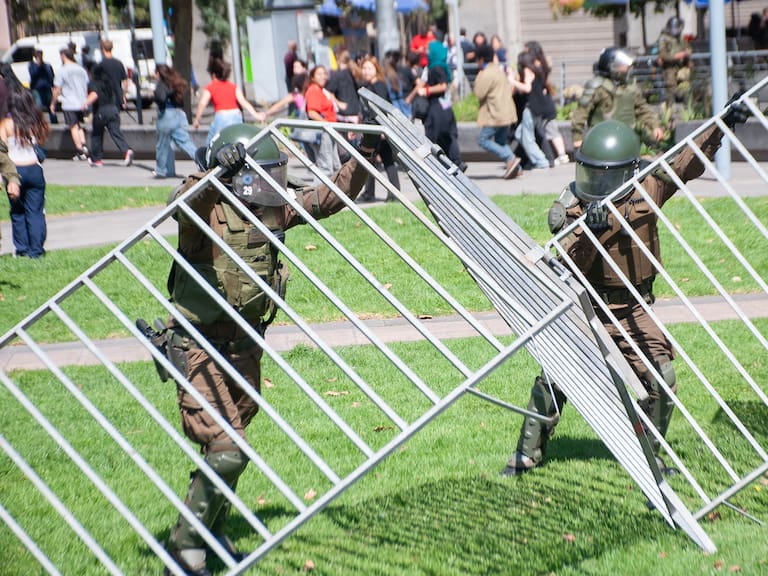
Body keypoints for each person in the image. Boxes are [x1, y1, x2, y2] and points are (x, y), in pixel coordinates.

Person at [161, 122, 379, 575]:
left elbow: (329, 196)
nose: (270, 182)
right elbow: (182, 205)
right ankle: (184, 551)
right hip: (198, 348)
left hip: (245, 347)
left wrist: (364, 154)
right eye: (261, 173)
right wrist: (215, 174)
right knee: (227, 449)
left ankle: (210, 533)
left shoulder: (272, 208)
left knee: (231, 449)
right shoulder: (207, 210)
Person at [500, 104, 750, 477]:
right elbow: (569, 265)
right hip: (585, 309)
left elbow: (686, 160)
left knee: (662, 381)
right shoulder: (573, 207)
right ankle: (525, 454)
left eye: (605, 177)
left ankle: (647, 457)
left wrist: (722, 125)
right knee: (554, 378)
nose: (596, 185)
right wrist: (590, 232)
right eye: (591, 174)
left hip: (634, 309)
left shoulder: (648, 184)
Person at [570, 47, 664, 149]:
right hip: (601, 140)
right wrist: (577, 137)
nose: (627, 68)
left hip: (626, 138)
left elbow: (642, 108)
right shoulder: (598, 87)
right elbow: (581, 113)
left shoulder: (630, 87)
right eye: (622, 65)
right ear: (612, 66)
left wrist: (655, 126)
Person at [0, 87, 49, 258]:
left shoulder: (6, 124)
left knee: (18, 211)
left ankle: (22, 249)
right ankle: (37, 250)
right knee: (35, 211)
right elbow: (42, 142)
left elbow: (2, 150)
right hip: (34, 168)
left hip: (14, 171)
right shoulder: (36, 122)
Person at [410, 40, 465, 172]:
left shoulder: (436, 67)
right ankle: (455, 162)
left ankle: (442, 165)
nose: (427, 52)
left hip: (437, 108)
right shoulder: (439, 66)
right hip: (443, 107)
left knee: (434, 135)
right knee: (447, 135)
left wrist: (426, 90)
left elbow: (443, 86)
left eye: (429, 50)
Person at [473, 43, 521, 180]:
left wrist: (478, 77)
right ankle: (517, 168)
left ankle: (510, 158)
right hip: (507, 113)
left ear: (481, 59)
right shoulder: (498, 70)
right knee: (500, 142)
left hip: (496, 114)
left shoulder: (486, 74)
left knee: (483, 140)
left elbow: (478, 93)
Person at [193, 56, 265, 145]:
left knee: (212, 144)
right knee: (236, 141)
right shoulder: (233, 86)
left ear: (213, 75)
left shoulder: (210, 87)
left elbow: (202, 103)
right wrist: (256, 115)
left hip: (222, 116)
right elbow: (243, 102)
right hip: (236, 115)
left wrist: (197, 119)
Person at [357, 56, 400, 203]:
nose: (366, 71)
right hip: (374, 129)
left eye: (369, 68)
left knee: (371, 161)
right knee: (383, 161)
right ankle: (393, 193)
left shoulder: (378, 86)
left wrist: (382, 129)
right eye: (364, 68)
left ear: (376, 70)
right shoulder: (369, 86)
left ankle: (372, 193)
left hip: (378, 130)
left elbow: (381, 108)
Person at [523, 41, 569, 166]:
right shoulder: (543, 65)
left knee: (548, 131)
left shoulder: (532, 67)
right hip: (546, 103)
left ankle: (554, 157)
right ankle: (560, 155)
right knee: (550, 130)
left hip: (541, 105)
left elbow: (528, 87)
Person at [81, 65, 133, 168]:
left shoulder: (93, 83)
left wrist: (85, 104)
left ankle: (97, 159)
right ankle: (127, 150)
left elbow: (95, 94)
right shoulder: (108, 83)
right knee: (115, 132)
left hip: (101, 110)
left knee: (96, 135)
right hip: (113, 109)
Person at [152, 64, 198, 179]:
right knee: (185, 142)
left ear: (159, 73)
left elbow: (161, 98)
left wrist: (155, 97)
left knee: (162, 145)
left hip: (166, 115)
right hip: (179, 115)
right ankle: (203, 161)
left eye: (155, 73)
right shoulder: (175, 83)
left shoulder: (161, 85)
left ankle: (161, 171)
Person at [95, 39, 134, 166]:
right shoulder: (118, 63)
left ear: (102, 49)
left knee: (99, 129)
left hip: (105, 100)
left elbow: (97, 83)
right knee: (114, 127)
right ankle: (125, 150)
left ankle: (97, 157)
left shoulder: (101, 65)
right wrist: (123, 96)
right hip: (117, 100)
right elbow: (125, 81)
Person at [509, 50, 550, 170]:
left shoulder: (527, 70)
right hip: (537, 108)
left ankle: (541, 161)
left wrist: (512, 81)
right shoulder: (538, 70)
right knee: (519, 134)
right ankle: (537, 159)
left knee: (528, 138)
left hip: (530, 108)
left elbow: (527, 88)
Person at [304, 64, 346, 179]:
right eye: (319, 74)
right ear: (312, 77)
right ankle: (318, 196)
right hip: (323, 132)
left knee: (335, 165)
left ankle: (337, 195)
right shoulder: (314, 90)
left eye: (324, 74)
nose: (323, 76)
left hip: (327, 130)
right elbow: (312, 113)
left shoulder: (321, 90)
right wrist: (326, 124)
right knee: (326, 168)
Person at [51, 47, 89, 161]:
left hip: (69, 102)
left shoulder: (62, 70)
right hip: (82, 101)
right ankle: (84, 146)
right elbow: (87, 84)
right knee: (78, 125)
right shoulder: (81, 69)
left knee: (72, 126)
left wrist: (53, 103)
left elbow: (57, 88)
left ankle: (79, 150)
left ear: (63, 56)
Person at [656, 17, 693, 106]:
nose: (677, 30)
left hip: (681, 69)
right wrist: (676, 56)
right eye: (676, 27)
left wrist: (687, 55)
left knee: (686, 89)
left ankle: (688, 111)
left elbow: (687, 48)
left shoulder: (680, 38)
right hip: (670, 69)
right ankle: (670, 114)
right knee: (671, 92)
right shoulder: (664, 39)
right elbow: (663, 55)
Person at [327, 50, 362, 125]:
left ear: (337, 59)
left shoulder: (337, 75)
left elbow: (328, 92)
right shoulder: (355, 72)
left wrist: (338, 103)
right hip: (357, 112)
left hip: (345, 115)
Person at [28, 47, 57, 123]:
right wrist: (38, 66)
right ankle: (39, 122)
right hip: (37, 88)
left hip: (47, 88)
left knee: (50, 105)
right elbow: (33, 75)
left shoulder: (47, 66)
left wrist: (53, 86)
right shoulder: (32, 65)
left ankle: (54, 121)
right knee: (39, 105)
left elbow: (51, 76)